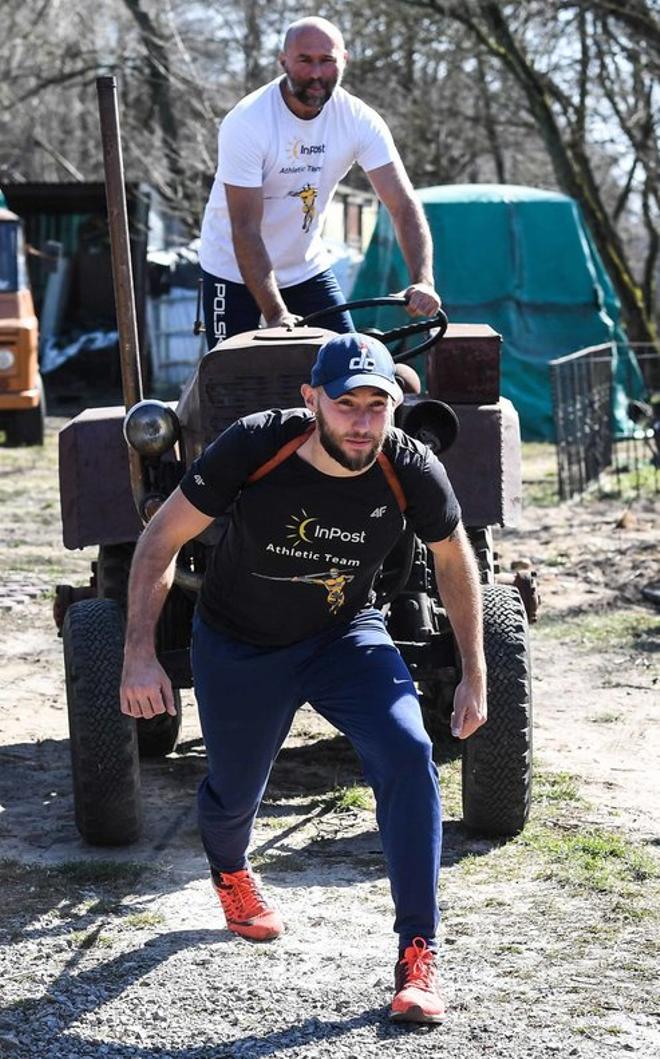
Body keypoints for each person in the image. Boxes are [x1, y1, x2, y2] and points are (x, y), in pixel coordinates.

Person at [120, 333, 487, 1024]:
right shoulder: (258, 445)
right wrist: (140, 650)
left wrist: (474, 673)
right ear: (311, 399)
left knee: (409, 752)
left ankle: (418, 952)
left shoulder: (410, 465)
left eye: (376, 405)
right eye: (345, 403)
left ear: (394, 406)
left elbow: (453, 557)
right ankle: (231, 868)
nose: (361, 421)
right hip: (239, 641)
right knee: (233, 790)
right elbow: (162, 538)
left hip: (342, 634)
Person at [199, 16, 442, 347]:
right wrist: (275, 314)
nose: (316, 74)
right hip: (233, 268)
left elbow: (402, 204)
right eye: (304, 60)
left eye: (326, 61)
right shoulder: (248, 122)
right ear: (283, 61)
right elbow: (245, 229)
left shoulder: (359, 120)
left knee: (349, 368)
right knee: (233, 381)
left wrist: (423, 281)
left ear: (343, 60)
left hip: (304, 268)